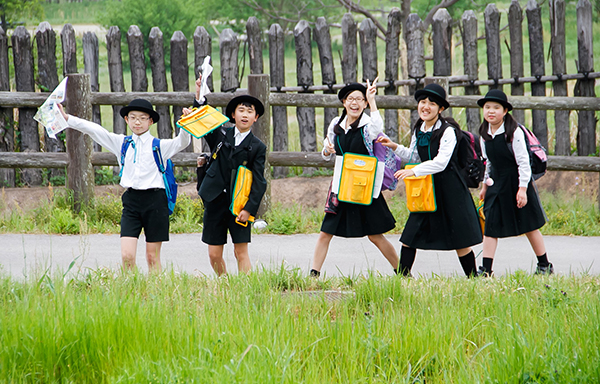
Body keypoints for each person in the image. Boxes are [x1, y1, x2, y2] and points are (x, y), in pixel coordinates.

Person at [57, 99, 191, 272]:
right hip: (131, 201)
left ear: (151, 121)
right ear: (126, 120)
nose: (137, 122)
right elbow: (95, 130)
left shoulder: (159, 146)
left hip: (156, 202)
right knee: (127, 256)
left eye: (143, 118)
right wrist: (68, 118)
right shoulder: (122, 143)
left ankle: (156, 292)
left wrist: (186, 123)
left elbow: (182, 142)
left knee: (152, 257)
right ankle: (133, 289)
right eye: (133, 117)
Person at [377, 83, 482, 277]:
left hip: (451, 190)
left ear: (440, 109)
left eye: (432, 104)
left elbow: (441, 162)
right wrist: (394, 147)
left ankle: (474, 279)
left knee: (461, 241)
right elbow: (414, 156)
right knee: (410, 236)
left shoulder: (448, 131)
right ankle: (403, 279)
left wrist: (414, 171)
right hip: (427, 191)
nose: (425, 106)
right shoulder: (419, 128)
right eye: (423, 102)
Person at [310, 79, 400, 277]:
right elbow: (326, 152)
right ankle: (313, 274)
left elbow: (378, 126)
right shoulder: (336, 124)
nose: (355, 103)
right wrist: (327, 149)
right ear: (344, 102)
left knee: (376, 236)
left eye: (360, 99)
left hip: (364, 186)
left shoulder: (368, 126)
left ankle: (403, 272)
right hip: (341, 185)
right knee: (325, 232)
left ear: (365, 104)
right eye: (350, 98)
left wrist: (373, 99)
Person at [184, 79, 267, 276]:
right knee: (213, 253)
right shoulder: (221, 134)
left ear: (256, 118)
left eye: (250, 112)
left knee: (241, 251)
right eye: (241, 110)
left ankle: (246, 290)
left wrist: (248, 209)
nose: (245, 115)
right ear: (233, 114)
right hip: (215, 200)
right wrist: (198, 98)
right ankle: (225, 283)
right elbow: (202, 119)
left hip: (239, 204)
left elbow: (259, 182)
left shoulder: (258, 147)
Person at [476, 89, 552, 276]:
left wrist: (522, 189)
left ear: (505, 111)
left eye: (496, 108)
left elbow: (523, 162)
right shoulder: (484, 133)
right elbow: (488, 162)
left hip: (517, 182)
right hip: (496, 184)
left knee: (529, 225)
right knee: (490, 226)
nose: (491, 111)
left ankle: (544, 265)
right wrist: (485, 186)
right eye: (487, 108)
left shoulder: (514, 132)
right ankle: (486, 270)